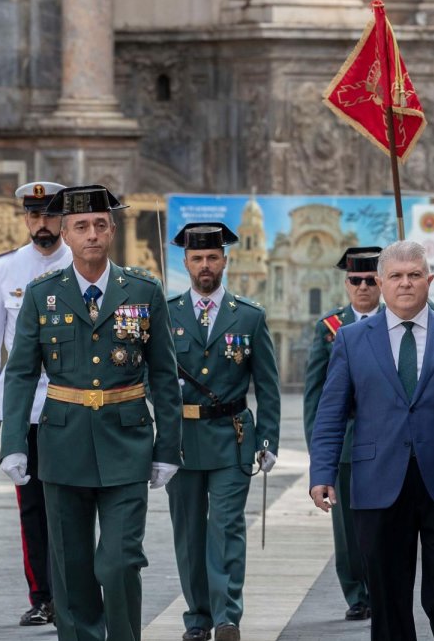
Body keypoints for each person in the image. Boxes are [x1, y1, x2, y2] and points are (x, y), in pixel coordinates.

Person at [0, 184, 183, 641]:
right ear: (65, 232)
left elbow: (164, 373)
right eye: (81, 226)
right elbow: (21, 372)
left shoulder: (143, 289)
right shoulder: (43, 295)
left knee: (119, 562)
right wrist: (14, 443)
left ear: (113, 230)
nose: (92, 234)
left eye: (100, 224)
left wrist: (168, 448)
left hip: (126, 444)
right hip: (62, 446)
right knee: (71, 569)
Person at [309, 240, 434, 641]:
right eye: (395, 276)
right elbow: (329, 414)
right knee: (387, 592)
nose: (405, 284)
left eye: (414, 275)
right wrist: (321, 473)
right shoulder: (351, 339)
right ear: (380, 282)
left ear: (429, 280)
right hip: (378, 482)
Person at [166, 222, 280, 641]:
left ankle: (226, 616)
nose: (205, 265)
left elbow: (267, 386)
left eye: (213, 257)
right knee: (189, 533)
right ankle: (197, 617)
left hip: (232, 438)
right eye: (197, 259)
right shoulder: (167, 313)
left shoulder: (248, 316)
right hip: (180, 441)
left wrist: (267, 440)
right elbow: (153, 380)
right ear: (186, 263)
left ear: (225, 261)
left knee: (227, 528)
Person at [0, 181, 71, 626]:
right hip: (25, 409)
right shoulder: (6, 269)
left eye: (50, 215)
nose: (42, 225)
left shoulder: (83, 263)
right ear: (26, 219)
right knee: (31, 508)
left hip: (73, 406)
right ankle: (43, 597)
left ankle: (76, 592)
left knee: (74, 503)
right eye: (34, 216)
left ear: (64, 218)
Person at [303, 246, 384, 622]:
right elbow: (315, 397)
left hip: (389, 439)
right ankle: (357, 593)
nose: (364, 287)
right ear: (346, 283)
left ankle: (384, 586)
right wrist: (320, 457)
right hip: (347, 444)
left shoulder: (401, 320)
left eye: (371, 280)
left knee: (387, 521)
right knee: (348, 528)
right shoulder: (331, 329)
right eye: (356, 280)